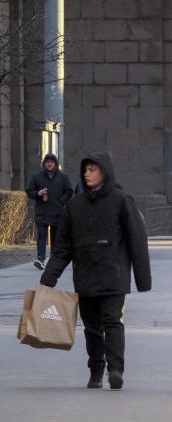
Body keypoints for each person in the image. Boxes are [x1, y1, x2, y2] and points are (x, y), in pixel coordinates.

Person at [40, 152, 152, 390]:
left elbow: (137, 240)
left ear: (105, 172)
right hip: (86, 275)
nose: (87, 174)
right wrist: (50, 275)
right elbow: (63, 246)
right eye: (86, 170)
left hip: (114, 275)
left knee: (112, 321)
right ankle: (96, 369)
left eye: (93, 169)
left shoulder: (121, 201)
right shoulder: (74, 205)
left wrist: (143, 279)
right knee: (91, 327)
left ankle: (115, 369)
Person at [25, 153, 73, 270]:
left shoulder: (63, 177)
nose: (50, 164)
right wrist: (38, 193)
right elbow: (29, 191)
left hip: (57, 212)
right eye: (47, 162)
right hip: (42, 210)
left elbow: (69, 191)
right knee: (42, 235)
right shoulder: (37, 177)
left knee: (55, 237)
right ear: (44, 164)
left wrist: (60, 202)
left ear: (55, 164)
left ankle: (54, 258)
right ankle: (40, 258)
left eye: (52, 162)